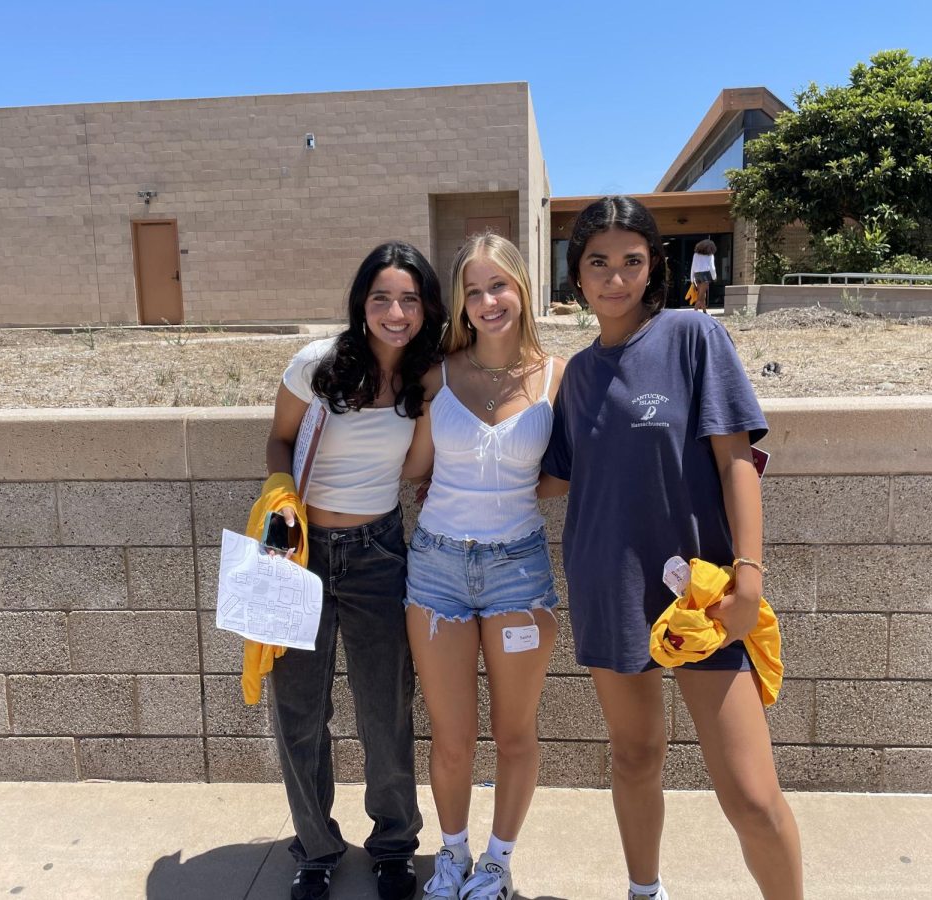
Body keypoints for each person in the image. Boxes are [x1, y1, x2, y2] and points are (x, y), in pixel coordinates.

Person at [539, 197, 804, 900]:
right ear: (577, 273)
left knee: (749, 795)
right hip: (607, 585)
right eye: (598, 262)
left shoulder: (692, 336)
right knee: (633, 757)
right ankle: (643, 890)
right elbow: (551, 480)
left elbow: (735, 461)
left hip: (704, 596)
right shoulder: (577, 375)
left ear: (655, 265)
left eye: (632, 261)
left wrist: (749, 575)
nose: (616, 277)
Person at [264, 241, 446, 900]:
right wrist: (281, 499)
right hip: (301, 552)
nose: (395, 312)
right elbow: (280, 438)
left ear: (427, 307)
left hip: (380, 556)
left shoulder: (430, 378)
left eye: (409, 299)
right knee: (300, 713)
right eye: (381, 298)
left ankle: (393, 844)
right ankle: (315, 848)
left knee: (385, 711)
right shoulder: (318, 365)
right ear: (361, 303)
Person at [402, 232, 564, 900]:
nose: (487, 301)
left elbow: (569, 471)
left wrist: (517, 488)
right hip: (436, 567)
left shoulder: (559, 374)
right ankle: (452, 855)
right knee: (452, 734)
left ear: (521, 289)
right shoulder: (438, 374)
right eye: (473, 290)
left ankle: (497, 863)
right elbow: (413, 468)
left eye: (499, 285)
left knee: (515, 731)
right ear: (461, 304)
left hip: (518, 572)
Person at [690, 238, 716, 312]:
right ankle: (695, 311)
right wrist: (714, 277)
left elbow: (693, 266)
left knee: (702, 294)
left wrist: (692, 278)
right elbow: (712, 267)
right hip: (705, 275)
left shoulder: (696, 255)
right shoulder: (710, 255)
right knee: (701, 295)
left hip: (697, 275)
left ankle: (704, 312)